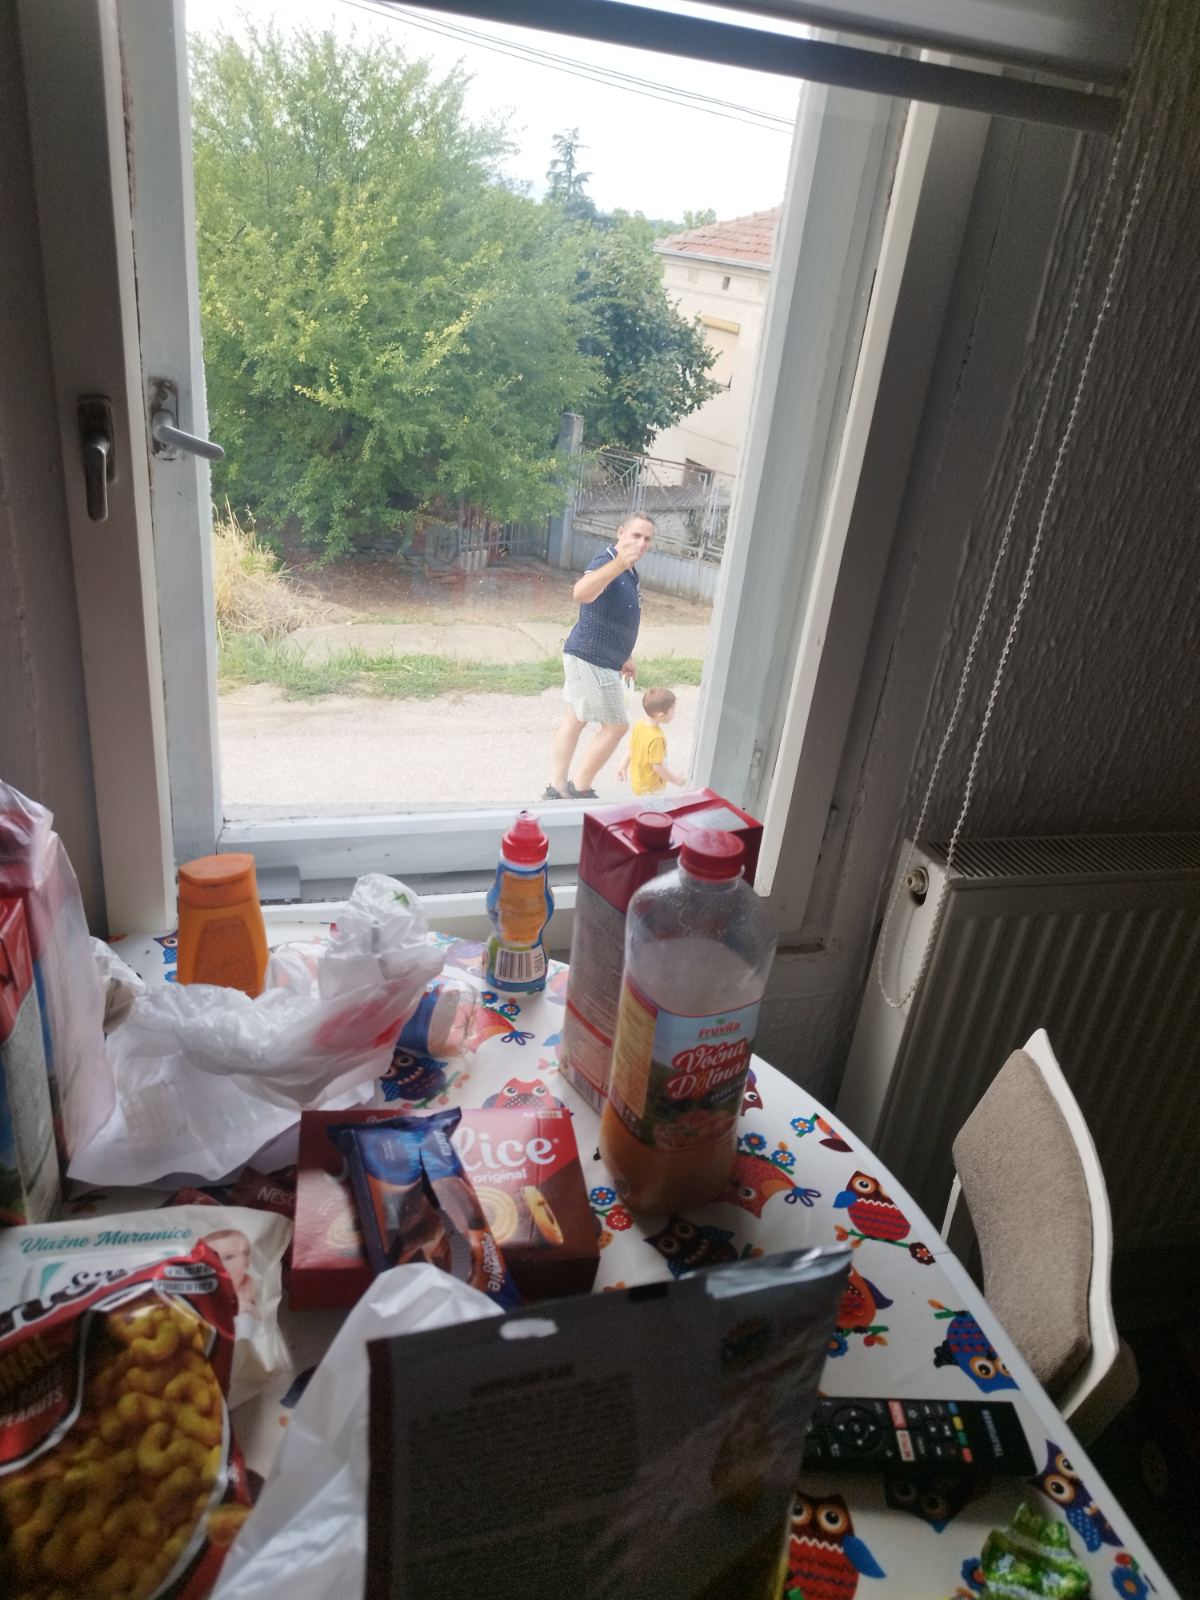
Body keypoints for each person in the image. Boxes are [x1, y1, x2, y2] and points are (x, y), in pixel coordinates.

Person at [545, 513, 655, 800]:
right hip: (591, 659)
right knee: (617, 726)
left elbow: (617, 616)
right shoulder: (606, 562)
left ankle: (556, 788)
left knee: (575, 720)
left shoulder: (629, 571)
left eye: (647, 539)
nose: (641, 543)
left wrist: (625, 655)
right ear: (621, 533)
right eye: (636, 535)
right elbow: (581, 593)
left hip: (596, 657)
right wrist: (617, 565)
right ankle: (579, 787)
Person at [616, 686, 686, 795]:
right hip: (652, 788)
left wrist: (622, 766)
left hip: (639, 783)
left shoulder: (639, 725)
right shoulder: (657, 738)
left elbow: (632, 749)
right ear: (661, 715)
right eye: (673, 710)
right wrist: (676, 780)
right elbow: (658, 768)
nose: (674, 713)